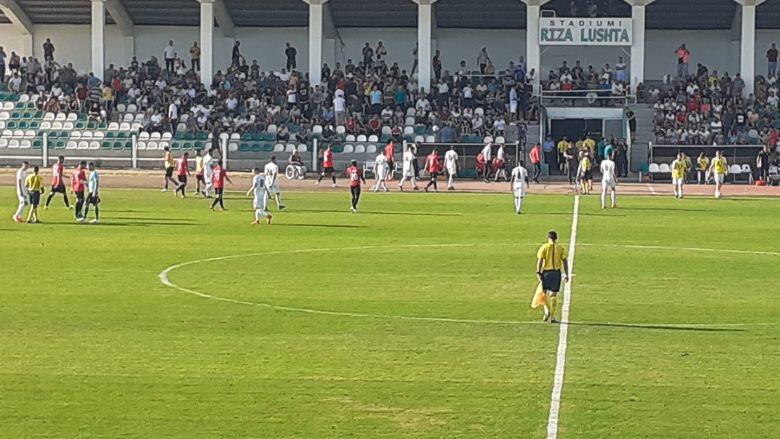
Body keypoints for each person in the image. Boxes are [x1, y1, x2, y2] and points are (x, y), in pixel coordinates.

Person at [536, 231, 570, 323]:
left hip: (546, 272)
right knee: (553, 294)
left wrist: (538, 272)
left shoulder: (544, 247)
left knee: (543, 292)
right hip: (556, 273)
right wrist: (567, 274)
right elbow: (565, 261)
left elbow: (540, 260)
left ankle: (547, 311)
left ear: (548, 237)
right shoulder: (560, 248)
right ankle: (552, 316)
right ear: (556, 238)